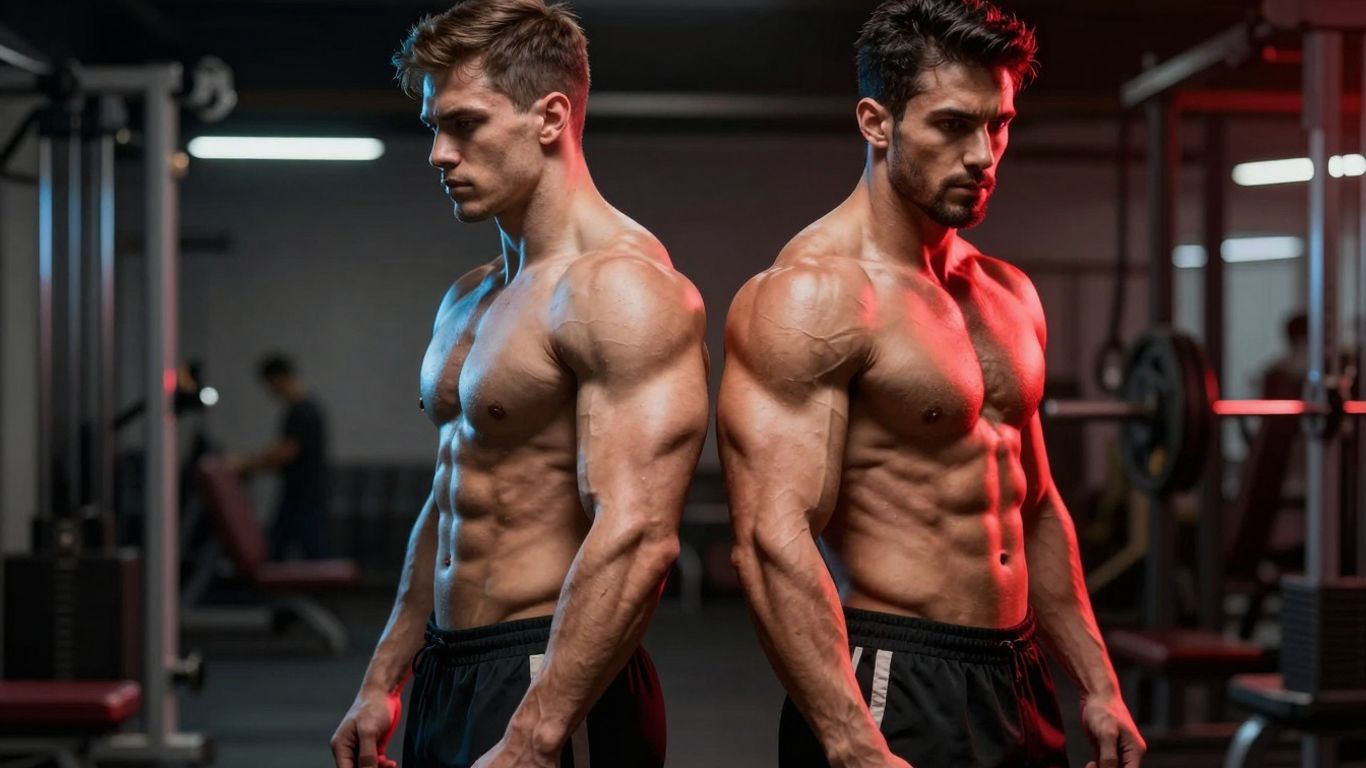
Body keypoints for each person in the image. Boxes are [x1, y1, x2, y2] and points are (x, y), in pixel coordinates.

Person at [718, 1, 1144, 766]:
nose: (984, 154)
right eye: (952, 125)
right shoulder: (815, 295)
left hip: (1017, 674)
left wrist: (1098, 681)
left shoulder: (1006, 292)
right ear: (876, 122)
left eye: (1000, 124)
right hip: (893, 678)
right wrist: (851, 742)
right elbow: (768, 540)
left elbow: (1036, 505)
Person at [329, 2, 709, 767]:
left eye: (465, 125)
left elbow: (637, 536)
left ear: (550, 117)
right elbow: (450, 494)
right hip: (451, 666)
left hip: (555, 679)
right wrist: (382, 678)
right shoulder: (472, 294)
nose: (440, 153)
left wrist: (536, 736)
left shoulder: (621, 289)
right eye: (434, 127)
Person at [230, 353, 329, 560]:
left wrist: (245, 463)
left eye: (271, 385)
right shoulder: (301, 409)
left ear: (280, 378)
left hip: (303, 495)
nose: (271, 393)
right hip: (299, 493)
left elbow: (286, 452)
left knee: (287, 549)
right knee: (282, 548)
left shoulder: (304, 411)